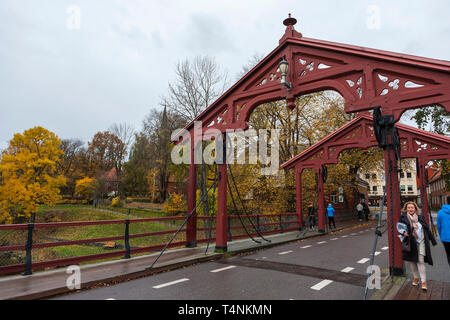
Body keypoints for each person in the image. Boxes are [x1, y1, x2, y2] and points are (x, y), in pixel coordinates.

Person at [399, 201, 437, 291]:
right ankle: (416, 277)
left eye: (412, 207)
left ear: (415, 209)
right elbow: (400, 228)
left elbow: (426, 229)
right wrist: (403, 233)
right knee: (412, 261)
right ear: (406, 209)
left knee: (420, 260)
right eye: (408, 208)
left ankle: (423, 281)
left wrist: (433, 240)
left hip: (421, 242)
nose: (410, 209)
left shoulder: (420, 218)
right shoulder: (403, 218)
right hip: (411, 243)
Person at [437, 196, 450, 267]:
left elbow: (439, 227)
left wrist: (441, 236)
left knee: (449, 255)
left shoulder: (441, 212)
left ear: (447, 201)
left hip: (446, 238)